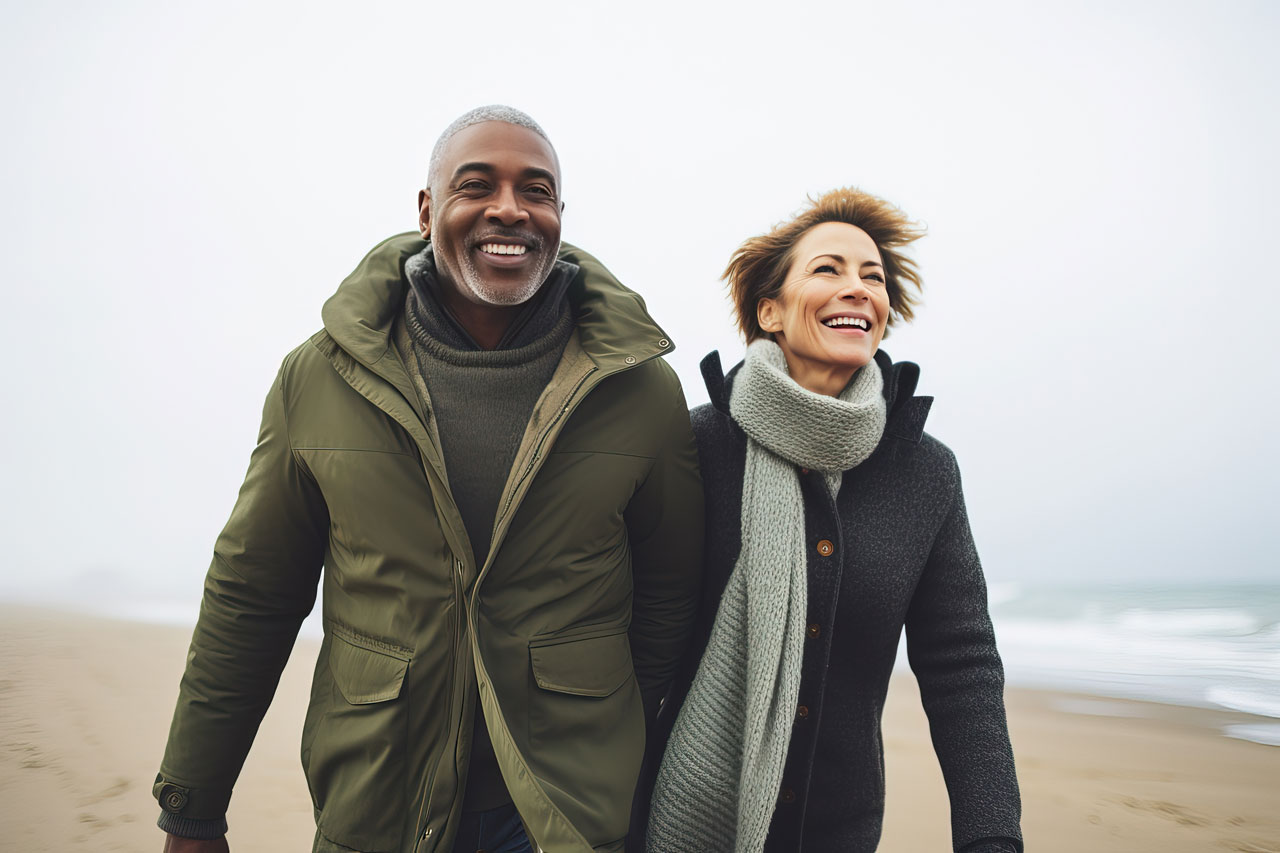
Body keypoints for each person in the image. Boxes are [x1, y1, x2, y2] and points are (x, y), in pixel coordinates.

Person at [153, 105, 704, 853]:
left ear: (559, 217)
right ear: (426, 210)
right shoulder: (319, 377)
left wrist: (608, 731)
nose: (509, 207)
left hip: (565, 817)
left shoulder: (639, 389)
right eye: (477, 184)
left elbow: (668, 593)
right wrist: (193, 802)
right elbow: (253, 594)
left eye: (536, 190)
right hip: (380, 800)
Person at [646, 188, 1022, 853]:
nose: (857, 289)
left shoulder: (923, 471)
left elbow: (960, 662)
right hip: (667, 822)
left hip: (840, 832)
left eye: (872, 277)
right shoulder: (696, 445)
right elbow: (632, 643)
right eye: (828, 269)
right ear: (771, 310)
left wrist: (990, 834)